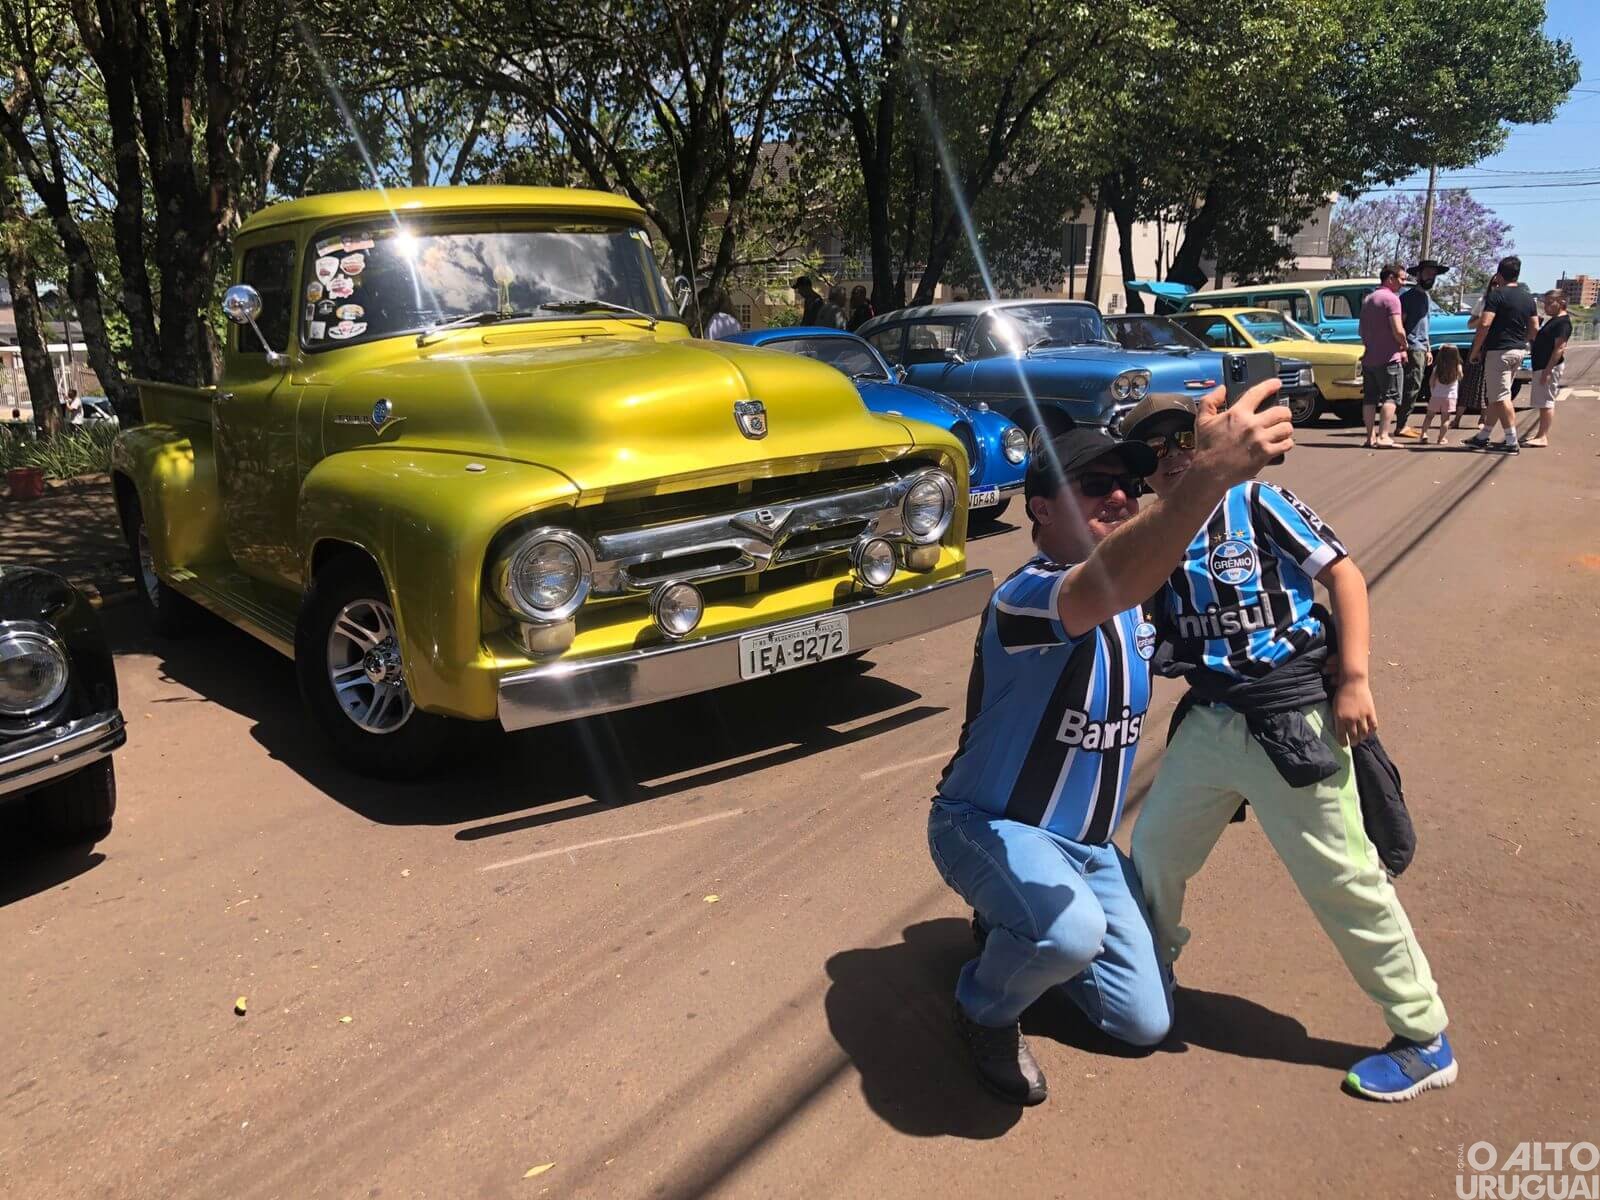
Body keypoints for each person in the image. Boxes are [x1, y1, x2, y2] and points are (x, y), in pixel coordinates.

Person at [929, 382, 1294, 1106]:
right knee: (1066, 934)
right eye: (1095, 486)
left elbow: (1204, 586)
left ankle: (1016, 928)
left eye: (1129, 486)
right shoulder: (1028, 595)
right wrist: (1211, 474)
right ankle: (983, 1006)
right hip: (987, 826)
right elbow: (1112, 577)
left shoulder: (1139, 606)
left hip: (1090, 848)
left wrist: (1206, 478)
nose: (1121, 498)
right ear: (1039, 507)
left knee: (1142, 1021)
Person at [1123, 395, 1457, 1104]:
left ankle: (1424, 1033)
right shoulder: (1152, 534)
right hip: (1212, 721)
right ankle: (1149, 974)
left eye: (1185, 437)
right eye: (1153, 451)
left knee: (1343, 877)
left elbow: (1343, 574)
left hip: (1293, 716)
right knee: (1155, 852)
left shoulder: (1257, 501)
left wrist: (1356, 678)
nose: (1175, 456)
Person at [1466, 255, 1538, 453]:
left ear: (1499, 274)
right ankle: (1484, 435)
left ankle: (1511, 441)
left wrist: (1476, 350)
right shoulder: (1527, 297)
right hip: (1518, 350)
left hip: (1499, 351)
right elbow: (1534, 328)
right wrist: (1526, 342)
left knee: (1500, 396)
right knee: (1496, 395)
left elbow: (1485, 323)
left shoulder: (1496, 295)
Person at [1394, 260, 1447, 439]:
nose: (1431, 277)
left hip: (1422, 348)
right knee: (1411, 386)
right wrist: (1402, 347)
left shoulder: (1426, 297)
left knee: (1415, 387)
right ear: (1419, 275)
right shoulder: (1408, 297)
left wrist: (1428, 348)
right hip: (1411, 347)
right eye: (1428, 273)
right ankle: (1401, 425)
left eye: (1433, 274)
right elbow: (1400, 324)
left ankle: (1403, 423)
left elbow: (1425, 325)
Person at [1358, 264, 1407, 448]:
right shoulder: (1392, 299)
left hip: (1369, 358)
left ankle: (1370, 437)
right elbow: (1397, 328)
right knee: (1391, 396)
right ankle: (1383, 436)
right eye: (1401, 279)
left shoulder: (1369, 299)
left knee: (1370, 398)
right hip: (1389, 358)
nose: (1403, 283)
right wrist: (1404, 344)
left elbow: (1361, 330)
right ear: (1390, 278)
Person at [1525, 290, 1571, 448]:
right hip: (1541, 365)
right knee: (1542, 402)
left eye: (1550, 302)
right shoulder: (1553, 321)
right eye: (1545, 302)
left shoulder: (1563, 323)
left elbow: (1559, 348)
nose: (1546, 305)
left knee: (1546, 402)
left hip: (1548, 367)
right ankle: (1539, 433)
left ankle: (1543, 436)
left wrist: (1547, 370)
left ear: (1562, 302)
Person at [1416, 343, 1462, 446]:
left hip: (1436, 395)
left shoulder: (1437, 367)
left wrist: (1433, 390)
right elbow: (1460, 376)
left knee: (1429, 416)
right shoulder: (1457, 366)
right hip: (1450, 397)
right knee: (1445, 419)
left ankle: (1423, 434)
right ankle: (1441, 439)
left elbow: (1431, 381)